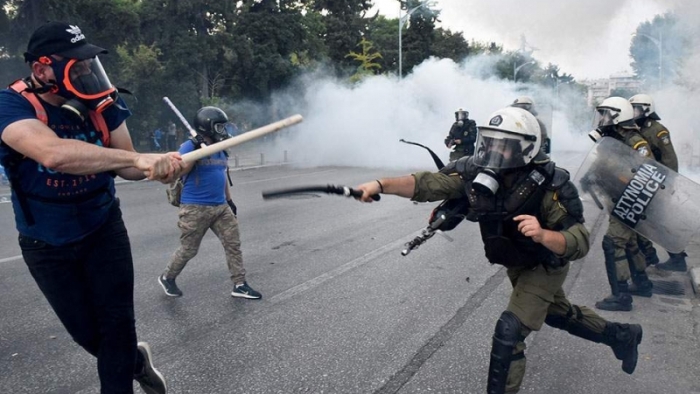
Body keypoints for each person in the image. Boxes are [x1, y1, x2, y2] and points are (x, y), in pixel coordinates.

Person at [355, 106, 643, 394]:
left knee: (510, 330)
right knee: (555, 313)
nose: (492, 151)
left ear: (525, 149)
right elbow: (427, 184)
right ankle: (621, 336)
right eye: (489, 142)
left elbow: (579, 241)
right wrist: (381, 184)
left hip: (544, 263)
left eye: (502, 146)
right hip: (516, 260)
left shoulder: (551, 184)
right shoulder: (472, 171)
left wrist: (544, 234)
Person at [0, 22, 181, 393]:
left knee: (117, 327)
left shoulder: (104, 103)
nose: (86, 71)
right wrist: (139, 160)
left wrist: (158, 166)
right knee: (87, 334)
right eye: (76, 64)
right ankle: (136, 361)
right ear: (42, 69)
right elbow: (54, 154)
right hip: (45, 242)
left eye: (89, 63)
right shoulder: (11, 105)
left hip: (103, 229)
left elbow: (128, 165)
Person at [158, 106, 261, 300]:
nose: (223, 130)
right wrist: (196, 150)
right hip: (195, 208)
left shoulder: (221, 149)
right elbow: (179, 172)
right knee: (189, 249)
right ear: (207, 126)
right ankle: (167, 277)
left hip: (220, 207)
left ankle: (239, 284)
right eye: (219, 126)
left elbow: (221, 175)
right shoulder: (189, 146)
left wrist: (229, 201)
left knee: (233, 244)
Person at [587, 97, 654, 310]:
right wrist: (590, 176)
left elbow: (649, 171)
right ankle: (642, 282)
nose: (603, 119)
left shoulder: (634, 141)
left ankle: (621, 295)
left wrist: (621, 178)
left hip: (632, 199)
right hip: (621, 198)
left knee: (613, 242)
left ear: (618, 116)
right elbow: (605, 163)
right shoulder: (614, 138)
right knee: (630, 242)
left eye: (606, 114)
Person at [629, 94, 687, 272]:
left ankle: (677, 258)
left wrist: (667, 184)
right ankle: (649, 255)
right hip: (644, 182)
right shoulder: (636, 129)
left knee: (658, 223)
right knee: (641, 220)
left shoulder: (658, 130)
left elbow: (670, 159)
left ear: (647, 109)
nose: (634, 112)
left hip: (659, 183)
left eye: (637, 108)